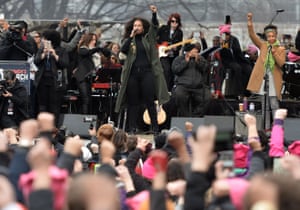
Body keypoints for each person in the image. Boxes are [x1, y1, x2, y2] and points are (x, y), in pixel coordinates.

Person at [115, 5, 169, 134]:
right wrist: (131, 37)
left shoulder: (148, 38)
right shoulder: (128, 40)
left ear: (143, 27)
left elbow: (155, 27)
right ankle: (132, 127)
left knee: (150, 101)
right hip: (132, 74)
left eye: (139, 26)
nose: (137, 28)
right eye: (135, 26)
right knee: (133, 102)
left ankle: (155, 127)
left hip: (147, 73)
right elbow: (123, 50)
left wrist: (154, 14)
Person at [247, 13, 286, 126]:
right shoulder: (263, 45)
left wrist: (274, 53)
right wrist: (250, 23)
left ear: (276, 36)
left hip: (274, 79)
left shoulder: (280, 49)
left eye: (273, 36)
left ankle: (277, 127)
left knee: (274, 104)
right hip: (264, 78)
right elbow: (253, 36)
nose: (271, 38)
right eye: (269, 37)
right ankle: (266, 128)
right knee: (264, 105)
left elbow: (281, 63)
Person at [34, 30, 69, 125]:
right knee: (42, 106)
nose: (43, 40)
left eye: (45, 39)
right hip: (42, 80)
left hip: (55, 81)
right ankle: (42, 127)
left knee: (54, 106)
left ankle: (54, 128)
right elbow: (36, 61)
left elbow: (65, 63)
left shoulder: (62, 50)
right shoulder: (41, 49)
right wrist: (43, 54)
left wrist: (54, 55)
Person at [73, 33, 111, 114]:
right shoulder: (82, 49)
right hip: (82, 77)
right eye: (92, 40)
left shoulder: (94, 51)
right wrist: (98, 48)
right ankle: (85, 118)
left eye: (95, 40)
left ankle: (90, 117)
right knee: (85, 99)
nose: (94, 42)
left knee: (89, 100)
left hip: (90, 77)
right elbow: (86, 53)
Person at [172, 43, 210, 117]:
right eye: (194, 51)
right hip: (183, 86)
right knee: (179, 96)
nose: (196, 53)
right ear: (188, 52)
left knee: (207, 97)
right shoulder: (179, 59)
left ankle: (195, 116)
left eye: (196, 52)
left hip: (198, 87)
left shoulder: (200, 59)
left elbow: (205, 69)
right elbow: (175, 70)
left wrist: (197, 61)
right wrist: (185, 62)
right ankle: (186, 116)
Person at [157, 13, 183, 91]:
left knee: (172, 72)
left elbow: (180, 45)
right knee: (166, 70)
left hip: (173, 55)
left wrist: (176, 48)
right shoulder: (163, 28)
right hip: (163, 54)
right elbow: (156, 38)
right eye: (172, 21)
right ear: (169, 21)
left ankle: (170, 90)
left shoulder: (179, 32)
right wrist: (161, 46)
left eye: (176, 22)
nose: (174, 24)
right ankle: (165, 90)